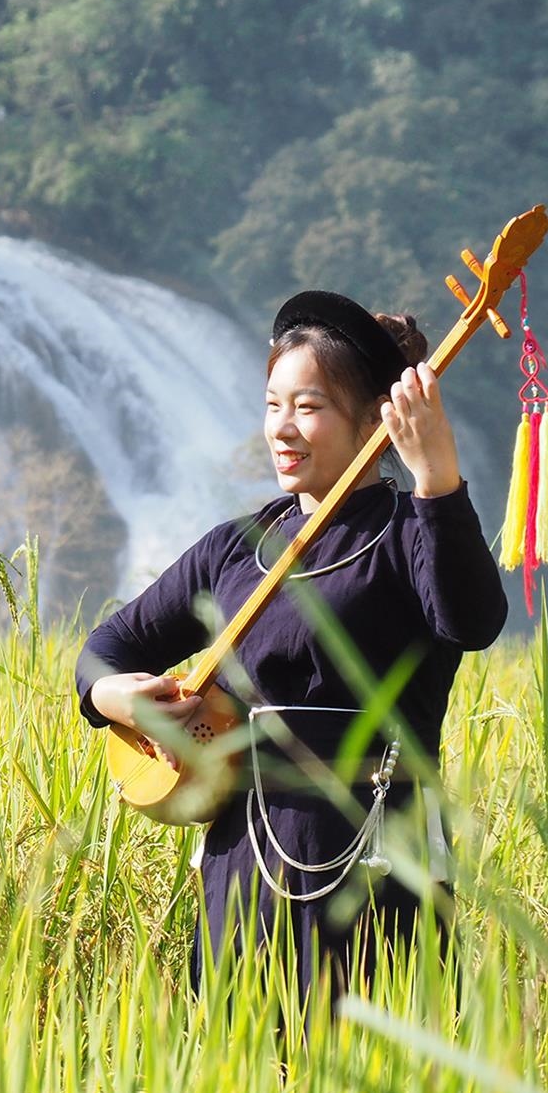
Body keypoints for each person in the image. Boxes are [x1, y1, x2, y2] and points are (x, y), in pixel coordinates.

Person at [76, 290, 507, 1011]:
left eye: (309, 407)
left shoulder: (413, 531)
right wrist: (119, 696)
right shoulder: (235, 548)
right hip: (243, 866)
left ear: (377, 417)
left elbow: (472, 622)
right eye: (273, 405)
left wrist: (438, 480)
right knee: (240, 1062)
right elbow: (106, 649)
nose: (282, 427)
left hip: (375, 861)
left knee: (377, 1065)